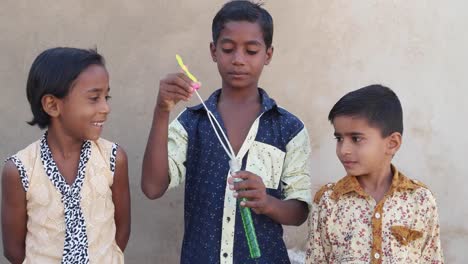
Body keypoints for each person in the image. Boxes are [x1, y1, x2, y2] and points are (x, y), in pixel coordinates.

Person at [141, 1, 311, 263]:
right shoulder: (193, 123)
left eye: (251, 50)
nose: (238, 59)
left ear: (268, 54)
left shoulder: (288, 128)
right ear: (213, 51)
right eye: (228, 49)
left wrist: (267, 203)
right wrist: (161, 111)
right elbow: (152, 187)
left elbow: (299, 212)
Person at [2, 47, 131, 264]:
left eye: (106, 96)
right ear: (52, 105)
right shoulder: (20, 170)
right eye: (94, 98)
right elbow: (13, 249)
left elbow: (122, 229)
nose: (106, 107)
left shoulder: (113, 159)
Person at [306, 84, 444, 263]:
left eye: (356, 139)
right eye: (339, 138)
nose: (344, 150)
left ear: (392, 143)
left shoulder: (420, 200)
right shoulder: (328, 202)